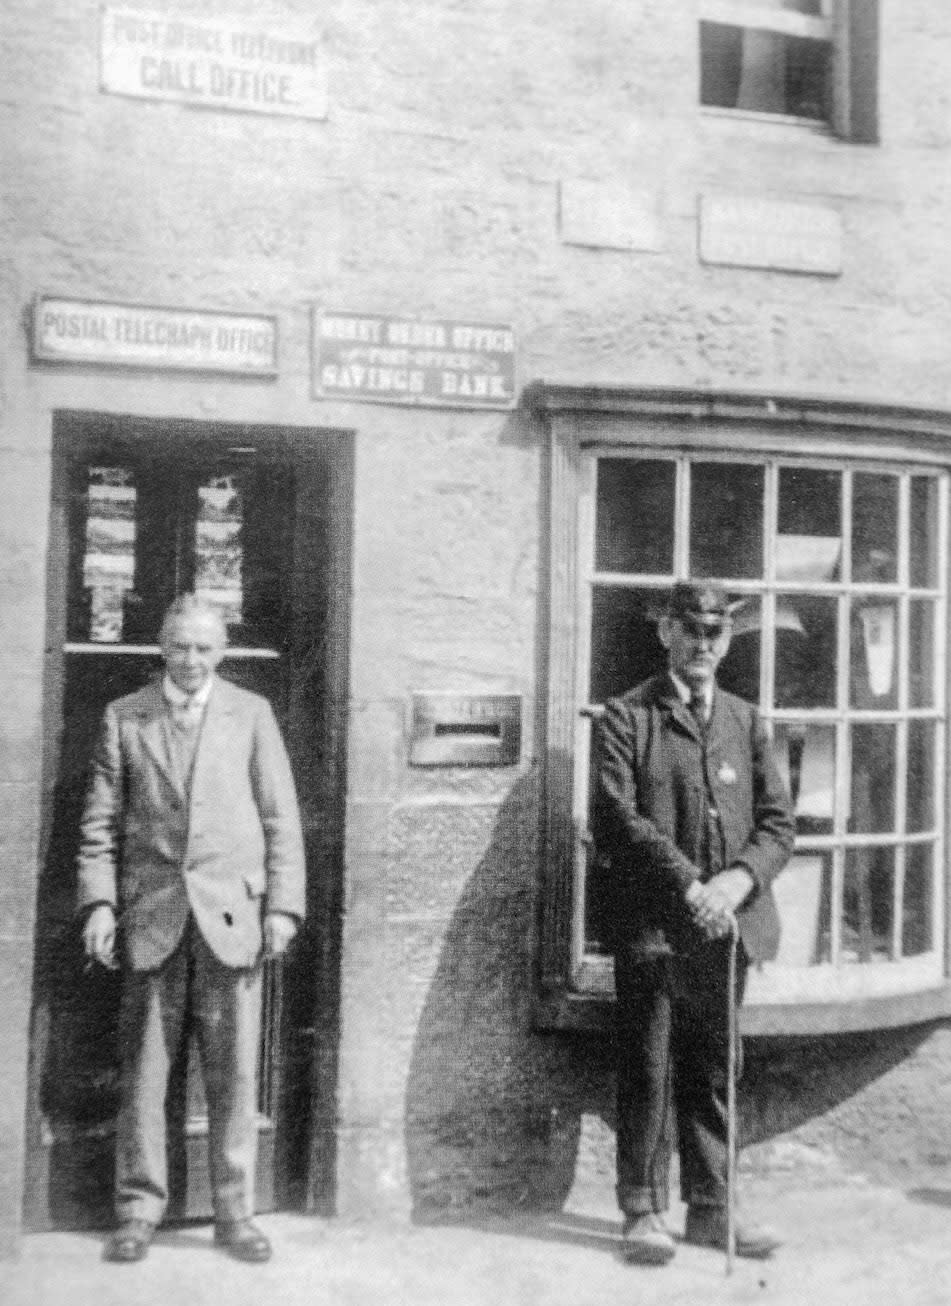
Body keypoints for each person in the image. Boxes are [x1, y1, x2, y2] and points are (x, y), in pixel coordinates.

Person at [78, 594, 306, 1264]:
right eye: (179, 646)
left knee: (235, 1076)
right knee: (146, 1074)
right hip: (151, 917)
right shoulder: (125, 718)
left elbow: (280, 821)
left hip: (232, 918)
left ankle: (235, 1212)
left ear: (221, 651)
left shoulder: (251, 715)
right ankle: (138, 1209)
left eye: (203, 648)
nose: (190, 660)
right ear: (160, 646)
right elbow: (98, 826)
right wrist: (98, 904)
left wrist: (283, 909)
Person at [596, 581, 794, 1266]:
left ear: (727, 641)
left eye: (715, 632)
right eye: (690, 630)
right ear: (665, 635)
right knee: (647, 1065)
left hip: (725, 928)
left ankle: (712, 1208)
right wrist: (691, 886)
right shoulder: (626, 718)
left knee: (713, 1067)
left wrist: (737, 881)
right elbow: (619, 821)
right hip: (654, 927)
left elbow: (776, 824)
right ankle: (641, 1209)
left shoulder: (745, 719)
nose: (702, 643)